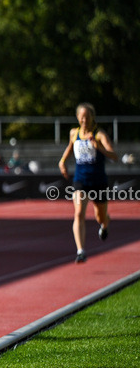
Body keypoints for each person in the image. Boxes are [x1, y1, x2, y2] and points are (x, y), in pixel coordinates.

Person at [58, 102, 113, 263]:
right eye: (82, 117)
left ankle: (105, 224)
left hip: (98, 181)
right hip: (80, 180)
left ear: (92, 118)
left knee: (100, 216)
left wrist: (98, 147)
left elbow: (114, 155)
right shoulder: (74, 133)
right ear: (77, 118)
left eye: (87, 117)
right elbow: (70, 147)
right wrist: (62, 162)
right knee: (78, 212)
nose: (84, 120)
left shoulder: (99, 134)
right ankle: (81, 251)